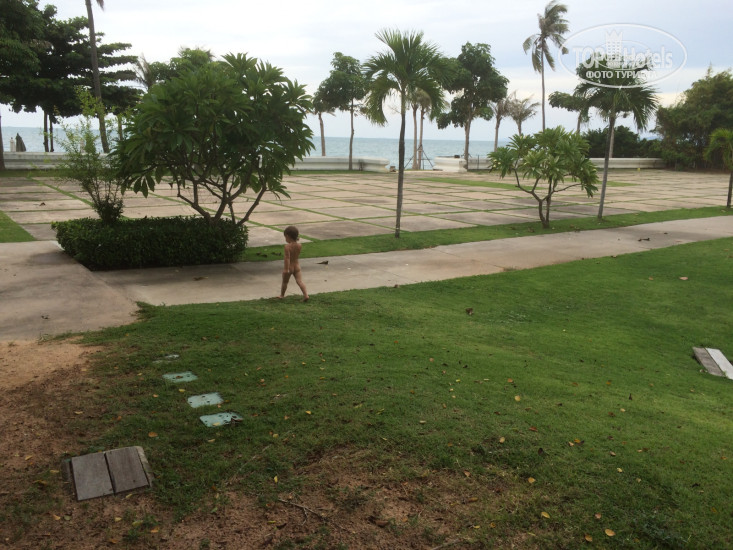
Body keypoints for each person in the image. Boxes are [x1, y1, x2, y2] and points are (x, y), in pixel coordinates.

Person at [278, 225, 309, 301]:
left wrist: (286, 269)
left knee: (285, 282)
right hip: (297, 266)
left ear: (288, 236)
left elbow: (287, 258)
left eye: (285, 237)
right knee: (299, 281)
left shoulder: (287, 247)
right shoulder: (299, 245)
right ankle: (306, 295)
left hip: (290, 267)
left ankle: (282, 295)